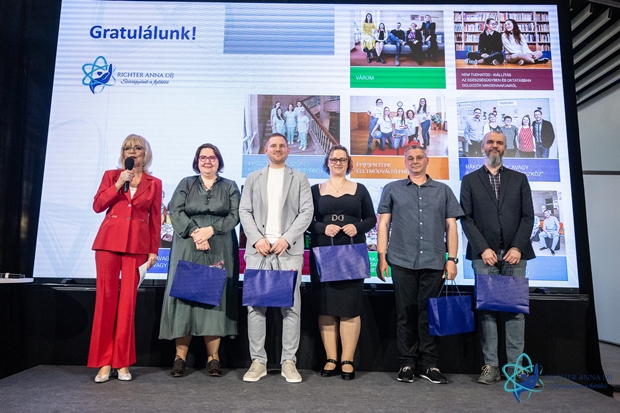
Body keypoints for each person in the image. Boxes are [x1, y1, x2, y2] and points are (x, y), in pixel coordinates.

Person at [376, 145, 463, 385]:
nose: (415, 161)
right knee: (405, 314)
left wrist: (452, 259)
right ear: (405, 162)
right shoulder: (392, 189)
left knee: (430, 314)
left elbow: (451, 227)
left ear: (427, 160)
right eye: (410, 158)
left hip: (434, 261)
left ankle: (429, 364)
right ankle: (406, 363)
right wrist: (382, 257)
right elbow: (383, 225)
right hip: (401, 260)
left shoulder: (443, 190)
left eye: (419, 157)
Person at [460, 131, 535, 385]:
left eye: (499, 143)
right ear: (482, 147)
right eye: (490, 142)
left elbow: (528, 217)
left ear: (506, 147)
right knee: (487, 311)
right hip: (484, 256)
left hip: (515, 255)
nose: (495, 146)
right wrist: (482, 248)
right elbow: (466, 219)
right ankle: (490, 366)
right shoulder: (469, 180)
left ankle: (516, 368)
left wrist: (517, 247)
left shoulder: (519, 179)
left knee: (515, 313)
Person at [159, 143, 240, 378]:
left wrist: (210, 231)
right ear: (197, 161)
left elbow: (235, 214)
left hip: (219, 245)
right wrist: (196, 233)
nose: (207, 161)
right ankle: (179, 358)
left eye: (212, 157)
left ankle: (213, 358)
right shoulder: (186, 183)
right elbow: (175, 211)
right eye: (203, 157)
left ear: (219, 161)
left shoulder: (230, 186)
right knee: (185, 298)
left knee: (214, 299)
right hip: (188, 245)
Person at [238, 133, 313, 383]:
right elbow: (244, 211)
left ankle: (288, 362)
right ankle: (258, 361)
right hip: (258, 251)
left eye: (282, 145)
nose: (278, 149)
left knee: (291, 308)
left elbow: (306, 212)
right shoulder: (253, 178)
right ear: (266, 150)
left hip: (287, 251)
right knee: (255, 308)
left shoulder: (300, 178)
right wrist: (257, 238)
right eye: (273, 145)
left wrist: (287, 238)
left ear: (288, 150)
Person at [89, 134, 162, 383]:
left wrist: (153, 251)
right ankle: (104, 362)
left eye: (137, 148)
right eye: (127, 148)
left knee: (127, 305)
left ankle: (122, 362)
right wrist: (119, 183)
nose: (132, 152)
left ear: (145, 153)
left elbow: (155, 220)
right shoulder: (112, 175)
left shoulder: (154, 183)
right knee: (105, 301)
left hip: (137, 247)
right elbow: (98, 206)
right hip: (108, 244)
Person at [308, 146, 376, 381]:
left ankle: (347, 359)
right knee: (325, 305)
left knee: (350, 307)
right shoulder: (315, 190)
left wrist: (357, 227)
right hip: (323, 251)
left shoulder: (360, 189)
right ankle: (331, 358)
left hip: (352, 251)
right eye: (334, 159)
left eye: (342, 159)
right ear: (327, 162)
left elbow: (371, 219)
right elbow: (307, 221)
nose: (338, 162)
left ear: (348, 163)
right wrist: (321, 227)